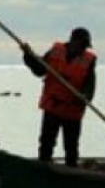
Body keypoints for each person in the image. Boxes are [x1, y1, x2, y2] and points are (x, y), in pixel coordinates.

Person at [22, 27, 97, 168]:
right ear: (73, 41)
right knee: (46, 143)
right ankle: (43, 169)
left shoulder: (88, 61)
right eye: (81, 45)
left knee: (71, 148)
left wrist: (84, 96)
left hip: (72, 111)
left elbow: (89, 86)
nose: (83, 49)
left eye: (85, 46)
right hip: (53, 107)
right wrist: (28, 55)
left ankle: (72, 173)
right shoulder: (56, 52)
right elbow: (39, 69)